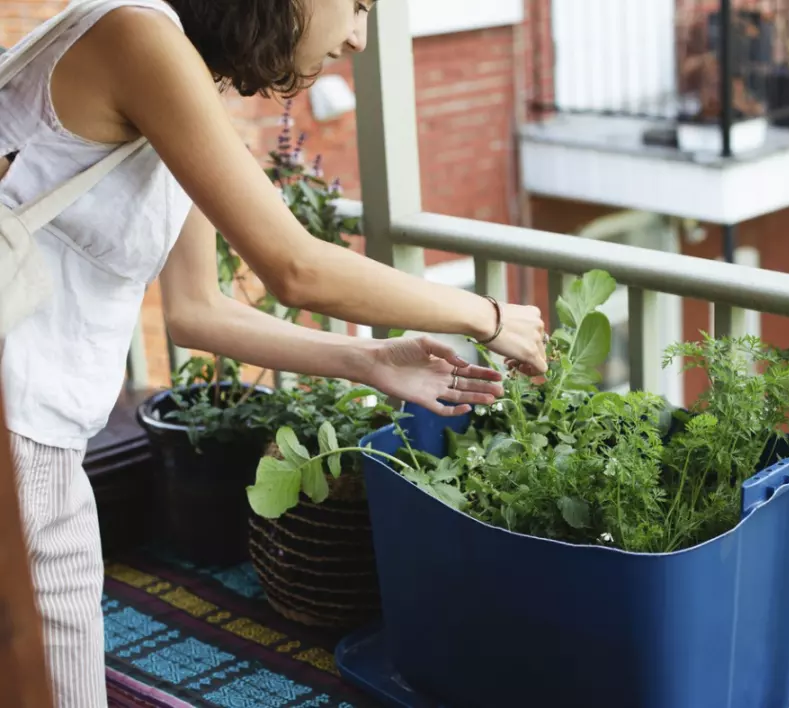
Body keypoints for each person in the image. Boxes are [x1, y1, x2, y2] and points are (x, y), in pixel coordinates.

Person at [0, 1, 548, 705]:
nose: (357, 36)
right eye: (356, 6)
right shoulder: (137, 36)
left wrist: (370, 360)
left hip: (39, 437)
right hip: (20, 431)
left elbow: (198, 309)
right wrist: (488, 315)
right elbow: (297, 266)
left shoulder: (182, 74)